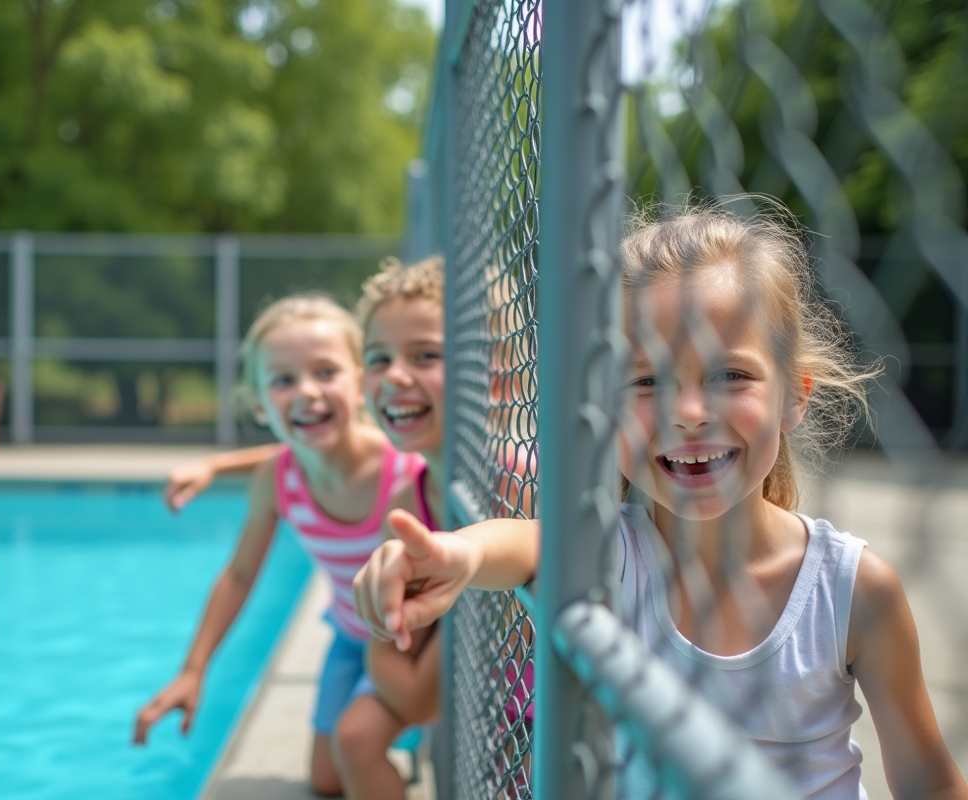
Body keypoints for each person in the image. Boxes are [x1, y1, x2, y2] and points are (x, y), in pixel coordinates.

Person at [353, 199, 968, 799]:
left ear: (794, 396)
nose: (689, 413)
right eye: (646, 382)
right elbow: (520, 541)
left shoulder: (852, 588)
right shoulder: (608, 553)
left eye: (730, 375)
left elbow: (930, 780)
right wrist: (455, 555)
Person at [131, 294, 422, 798]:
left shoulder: (404, 465)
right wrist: (193, 669)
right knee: (325, 781)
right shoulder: (277, 481)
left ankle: (406, 728)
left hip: (411, 643)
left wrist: (218, 464)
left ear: (360, 384)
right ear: (260, 404)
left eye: (326, 372)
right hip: (350, 639)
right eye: (283, 381)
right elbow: (240, 575)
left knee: (357, 747)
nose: (307, 392)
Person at [332, 256, 447, 799]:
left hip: (530, 712)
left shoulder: (517, 488)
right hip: (443, 686)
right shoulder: (411, 497)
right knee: (353, 737)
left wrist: (388, 644)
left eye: (426, 355)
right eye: (378, 359)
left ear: (498, 366)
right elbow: (388, 643)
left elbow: (420, 690)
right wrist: (387, 643)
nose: (396, 376)